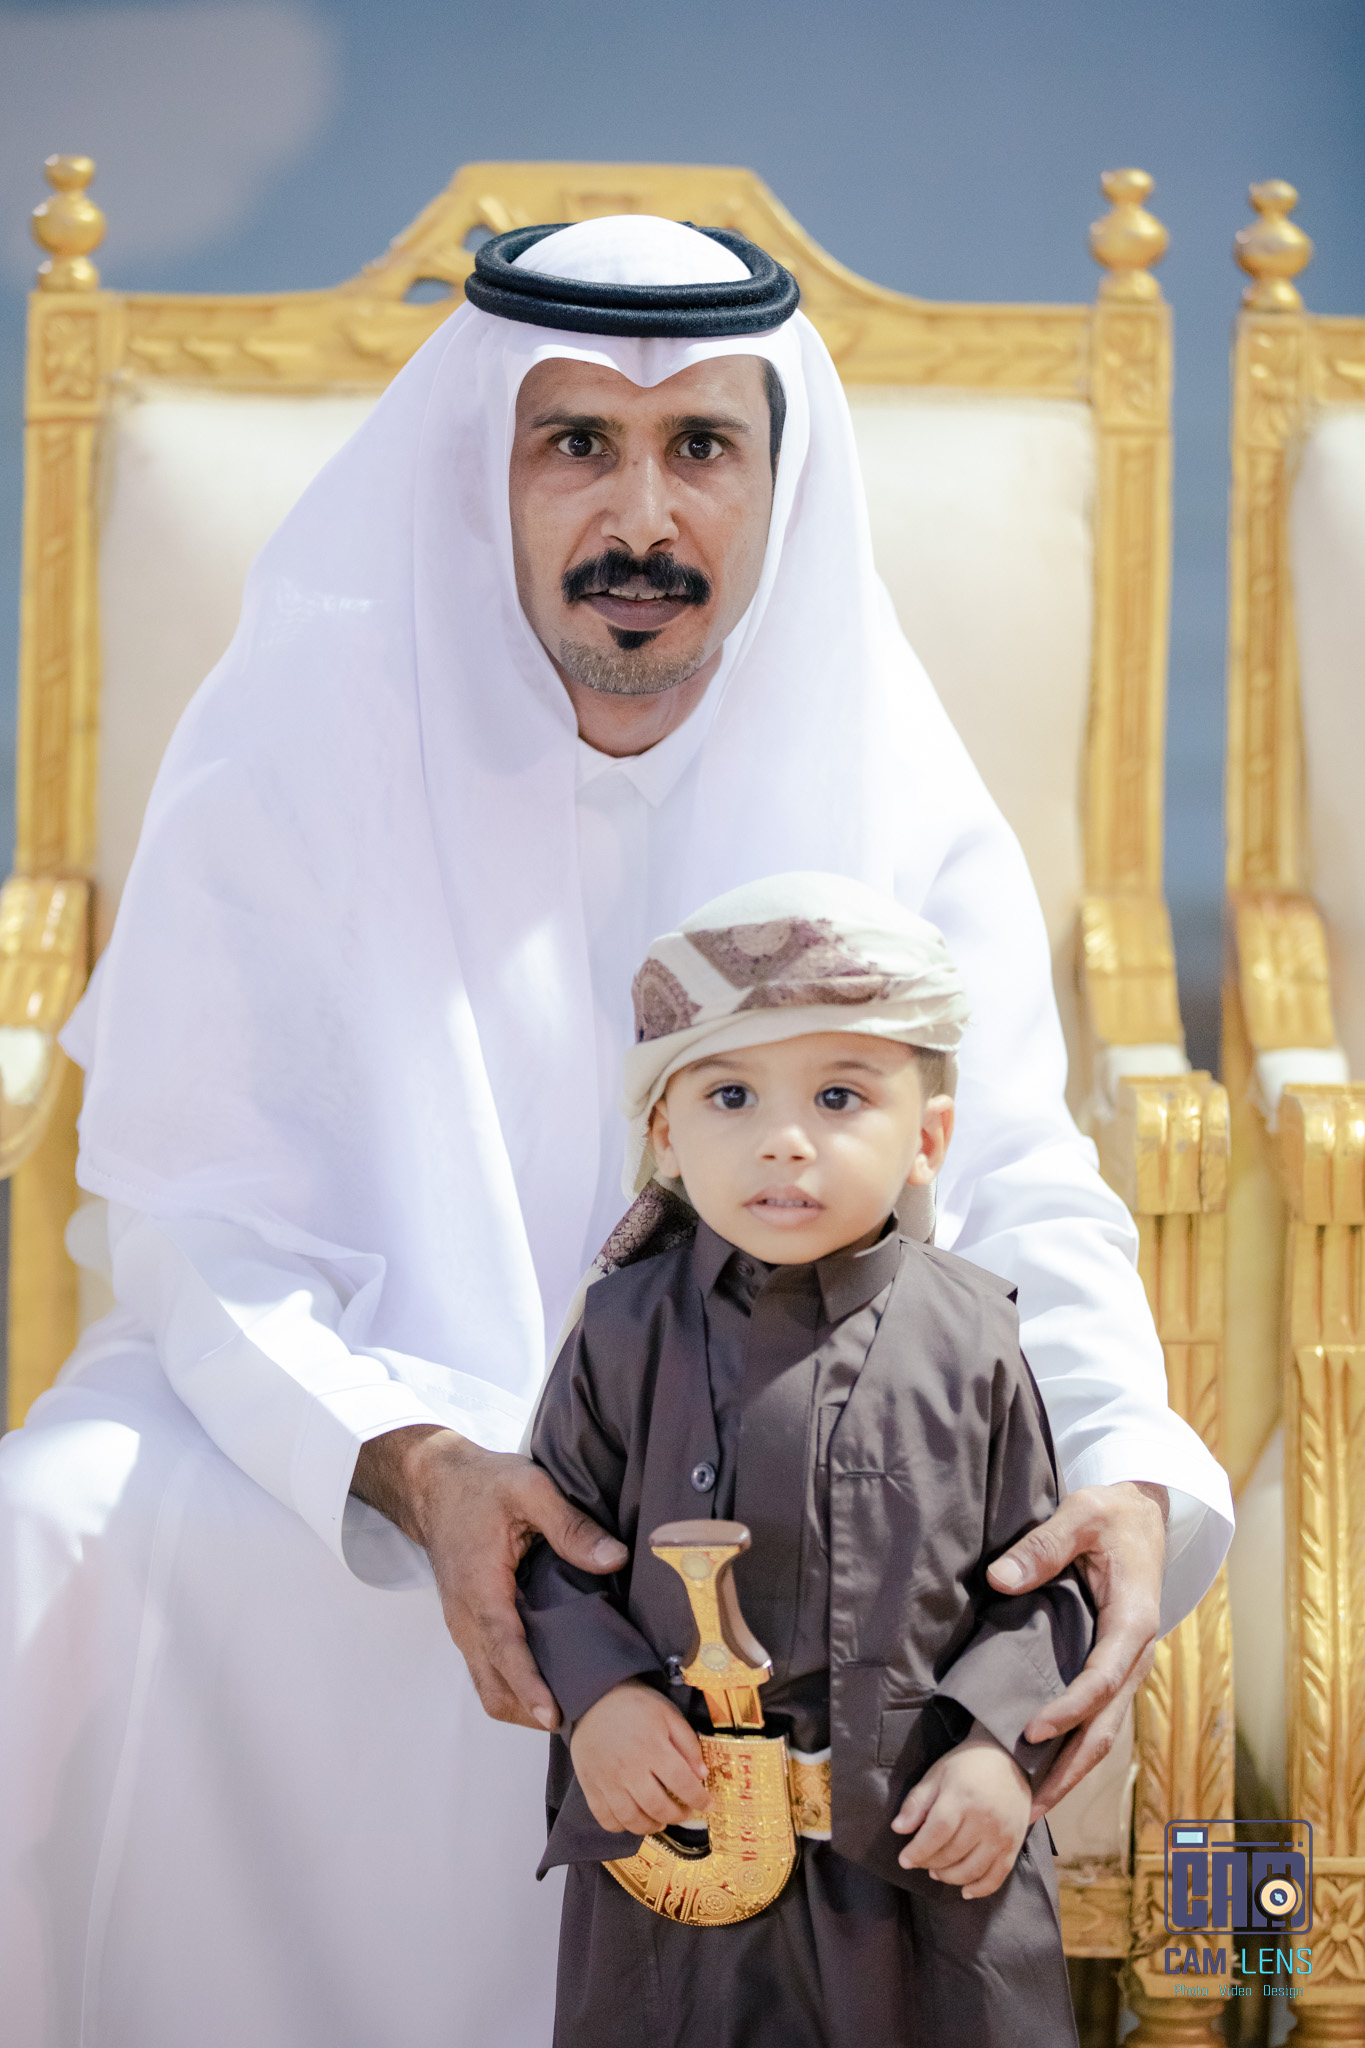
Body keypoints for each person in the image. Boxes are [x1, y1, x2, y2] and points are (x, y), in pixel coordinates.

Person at [0, 217, 1231, 2048]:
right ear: (484, 471)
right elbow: (195, 1218)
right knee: (52, 1525)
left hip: (772, 1405)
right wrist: (409, 1463)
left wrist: (1122, 1461)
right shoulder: (288, 754)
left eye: (699, 447)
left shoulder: (888, 770)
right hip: (362, 1403)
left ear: (770, 484)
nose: (640, 516)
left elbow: (1015, 1184)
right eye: (576, 440)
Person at [519, 872, 1092, 2048]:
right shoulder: (622, 1332)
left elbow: (1042, 1584)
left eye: (839, 1094)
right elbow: (553, 1552)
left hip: (914, 1863)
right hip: (682, 1853)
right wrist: (602, 1699)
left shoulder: (973, 1337)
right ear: (665, 1131)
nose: (784, 1139)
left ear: (927, 1138)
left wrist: (996, 1753)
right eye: (731, 1093)